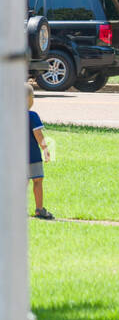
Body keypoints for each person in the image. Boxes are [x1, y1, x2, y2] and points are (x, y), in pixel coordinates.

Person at [27, 81, 53, 220]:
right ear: (28, 99)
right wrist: (45, 149)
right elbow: (38, 135)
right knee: (37, 181)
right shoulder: (32, 116)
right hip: (32, 156)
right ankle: (39, 209)